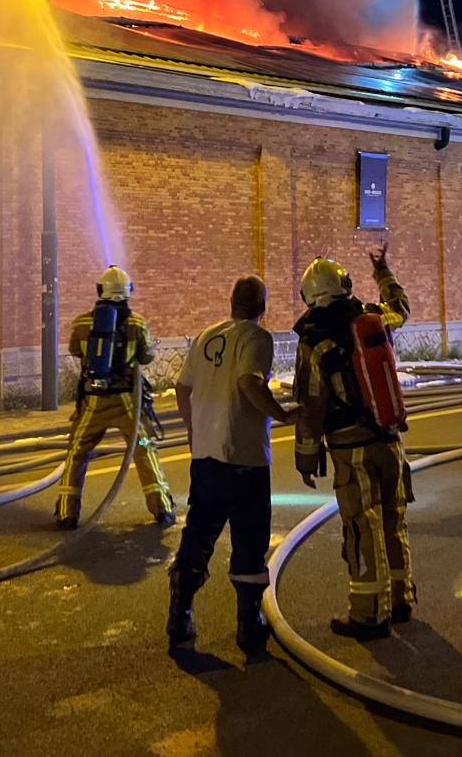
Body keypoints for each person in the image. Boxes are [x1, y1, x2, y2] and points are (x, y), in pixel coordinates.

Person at [166, 275, 298, 656]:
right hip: (244, 457)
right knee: (250, 539)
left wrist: (193, 430)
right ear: (262, 307)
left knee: (198, 533)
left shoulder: (206, 336)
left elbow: (182, 388)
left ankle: (179, 615)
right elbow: (248, 383)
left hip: (205, 458)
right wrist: (283, 415)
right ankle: (248, 624)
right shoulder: (257, 338)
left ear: (231, 302)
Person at [293, 243, 414, 640]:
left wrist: (306, 458)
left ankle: (368, 613)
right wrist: (383, 273)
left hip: (350, 449)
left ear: (309, 296)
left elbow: (312, 404)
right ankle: (400, 599)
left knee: (363, 525)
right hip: (390, 440)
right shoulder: (374, 317)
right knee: (393, 519)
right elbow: (402, 309)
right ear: (345, 285)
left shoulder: (314, 341)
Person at [54, 265, 175, 529]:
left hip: (93, 401)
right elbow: (146, 356)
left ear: (100, 290)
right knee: (144, 449)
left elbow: (75, 350)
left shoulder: (82, 323)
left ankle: (66, 513)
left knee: (77, 452)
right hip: (127, 403)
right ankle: (162, 509)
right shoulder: (137, 323)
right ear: (128, 291)